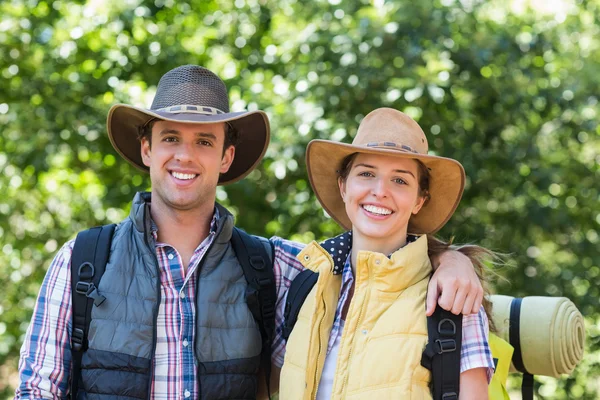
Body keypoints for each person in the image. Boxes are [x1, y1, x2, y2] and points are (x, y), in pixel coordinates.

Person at [15, 66, 486, 399]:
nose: (186, 156)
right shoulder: (84, 259)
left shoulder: (275, 268)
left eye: (204, 141)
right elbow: (37, 390)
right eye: (170, 138)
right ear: (146, 150)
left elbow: (377, 268)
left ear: (225, 158)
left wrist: (451, 259)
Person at [278, 108, 495, 399]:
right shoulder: (302, 279)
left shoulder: (453, 301)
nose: (380, 191)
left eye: (400, 180)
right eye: (366, 173)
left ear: (420, 200)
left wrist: (453, 259)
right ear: (343, 187)